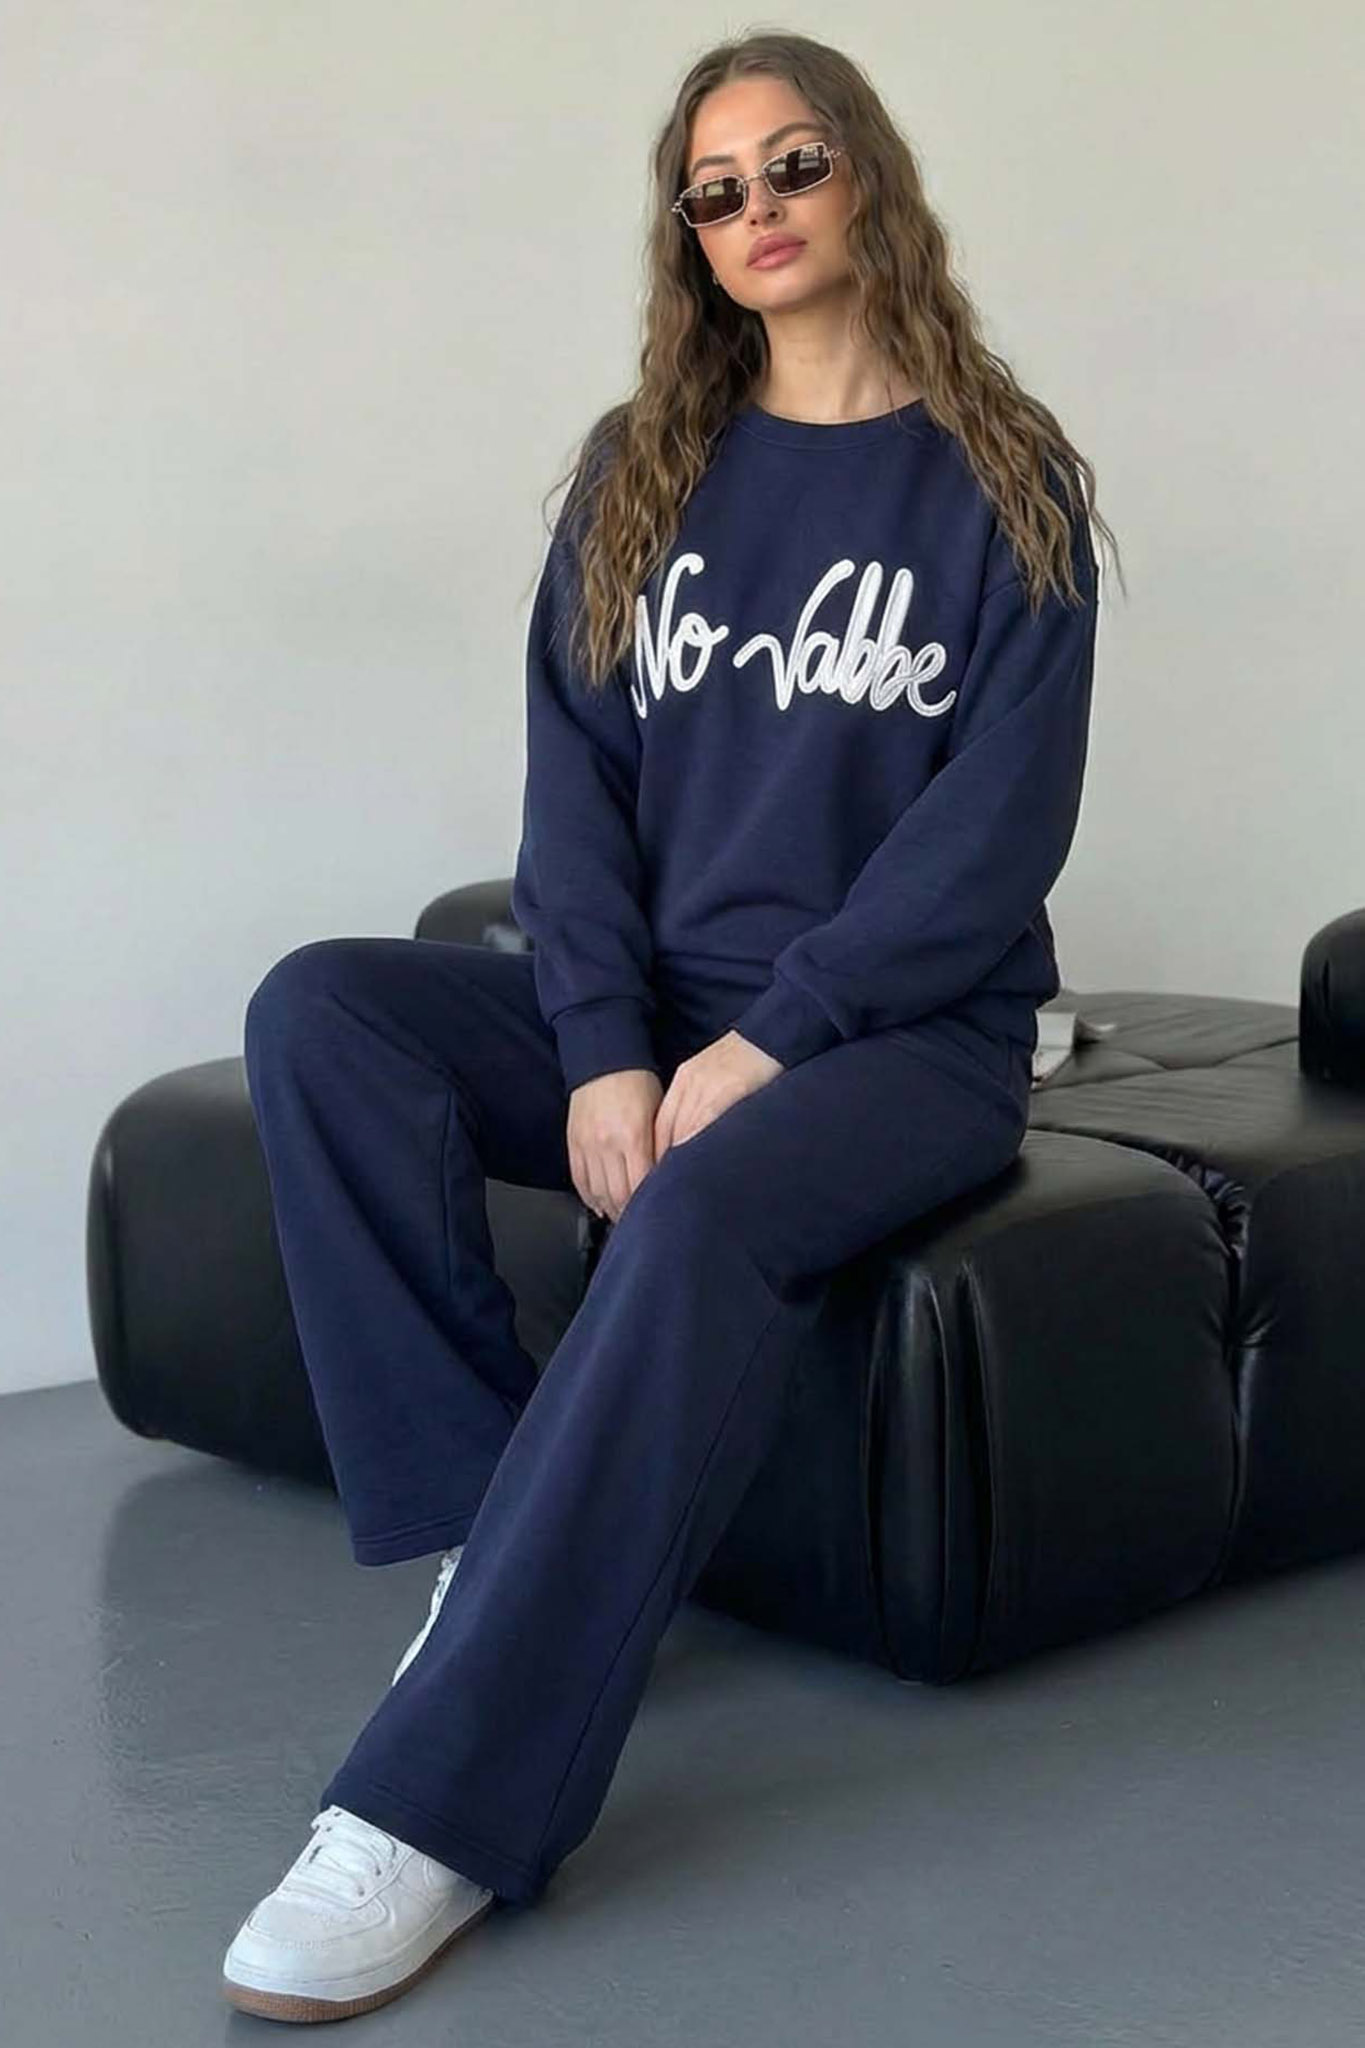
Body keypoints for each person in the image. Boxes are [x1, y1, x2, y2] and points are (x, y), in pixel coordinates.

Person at [222, 28, 1120, 2023]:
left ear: (867, 176)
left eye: (791, 164)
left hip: (903, 1043)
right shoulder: (642, 471)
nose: (755, 210)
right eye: (712, 191)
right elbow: (572, 803)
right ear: (686, 236)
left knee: (702, 1209)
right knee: (324, 1014)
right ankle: (486, 1544)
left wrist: (766, 1043)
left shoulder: (1004, 481)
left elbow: (987, 845)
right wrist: (606, 1047)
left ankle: (438, 1811)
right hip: (672, 1016)